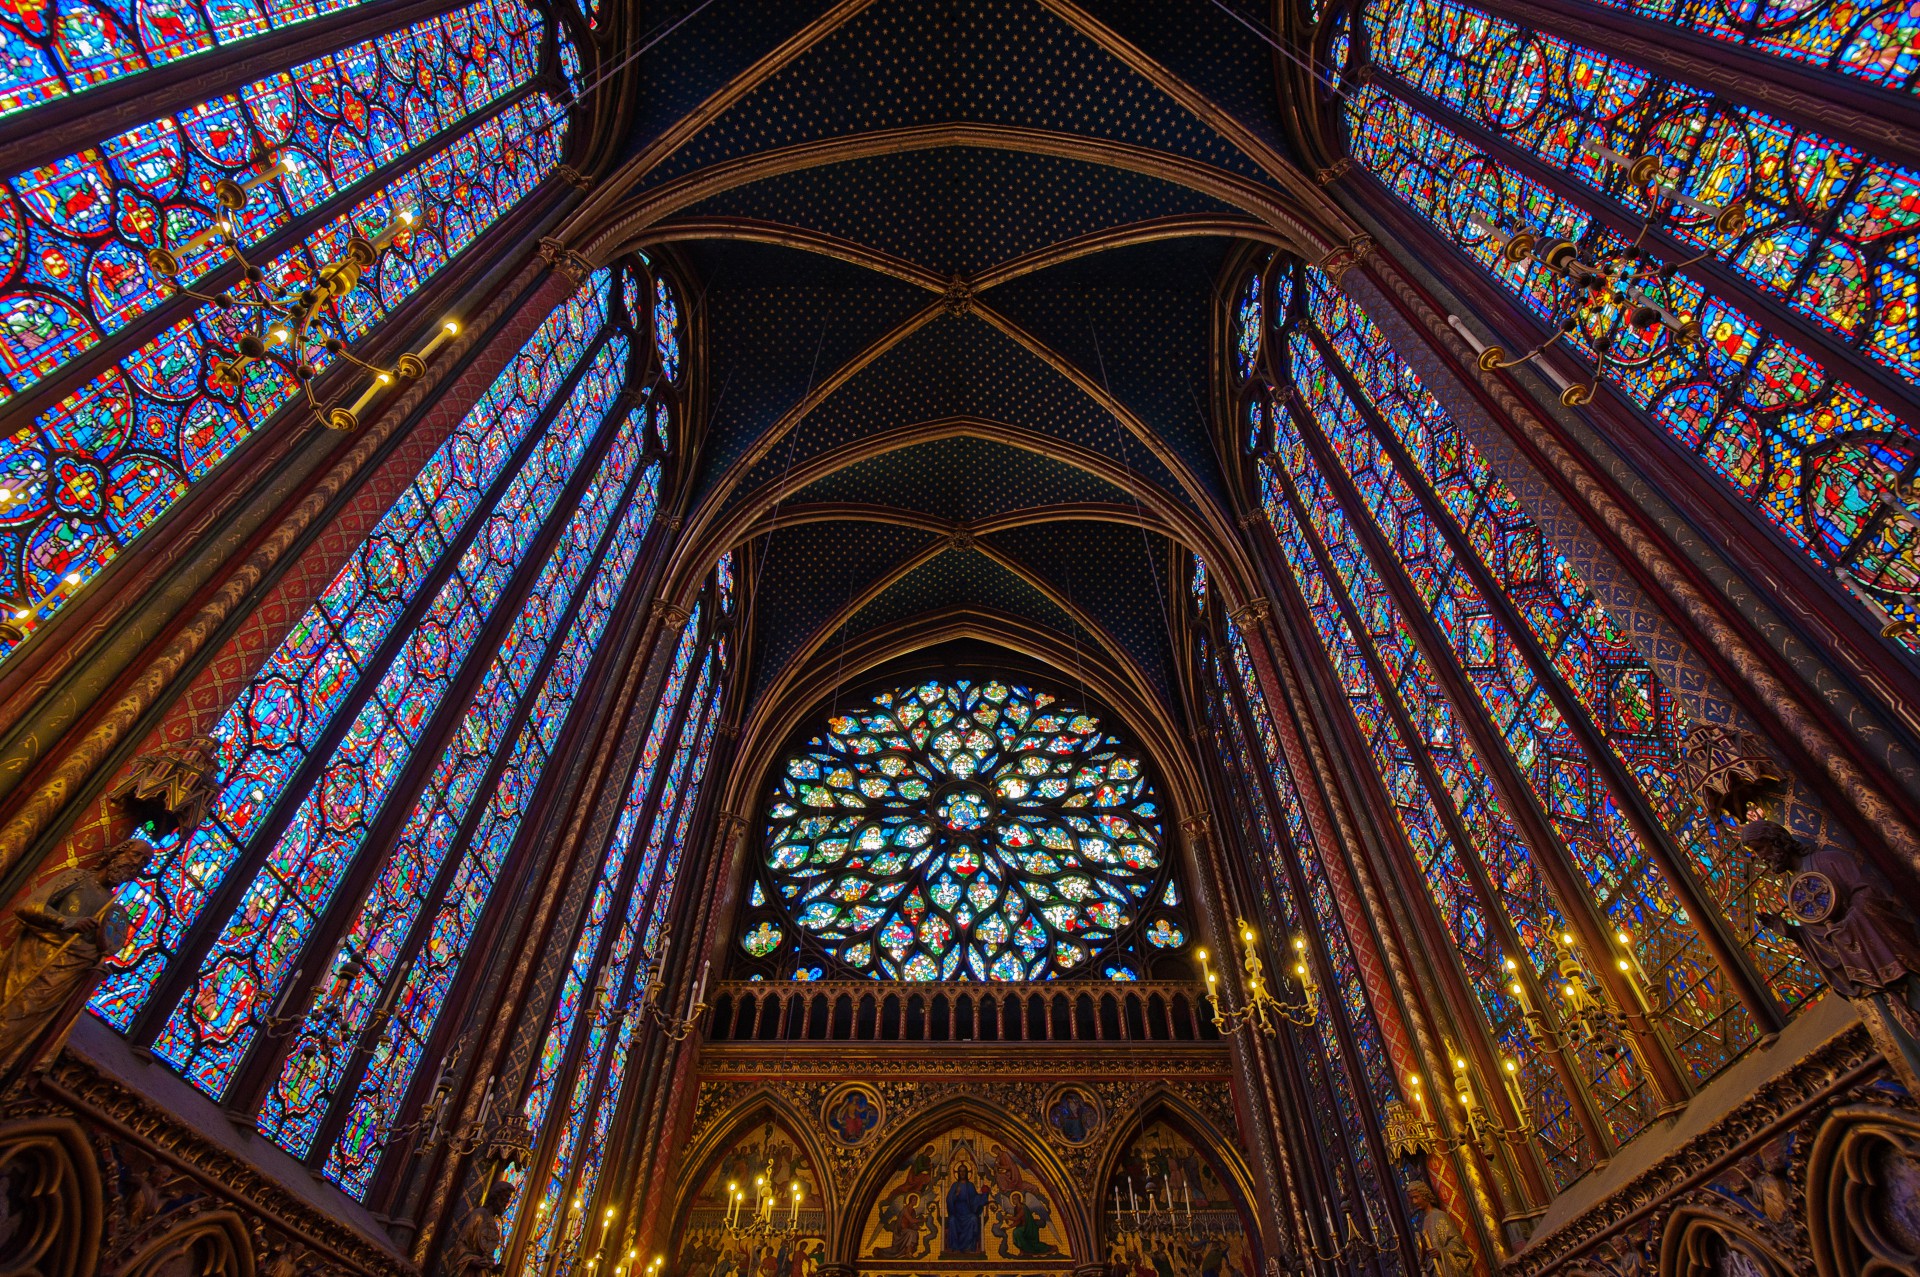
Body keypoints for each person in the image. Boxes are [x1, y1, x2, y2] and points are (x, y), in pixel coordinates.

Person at [0, 838, 152, 1088]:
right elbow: (29, 907)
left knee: (24, 1030)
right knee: (10, 1012)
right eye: (136, 855)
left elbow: (104, 945)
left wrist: (98, 962)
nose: (136, 864)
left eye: (143, 863)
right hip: (37, 958)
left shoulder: (110, 906)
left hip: (65, 977)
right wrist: (66, 922)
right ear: (118, 852)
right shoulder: (77, 879)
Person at [1406, 1182, 1472, 1277]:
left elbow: (1457, 1242)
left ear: (1425, 1195)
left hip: (1444, 1268)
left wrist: (1441, 1252)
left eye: (1416, 1197)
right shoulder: (1425, 1221)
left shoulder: (1439, 1216)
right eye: (1412, 1199)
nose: (1414, 1202)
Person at [944, 1166, 989, 1255]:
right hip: (957, 1213)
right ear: (958, 1173)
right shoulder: (955, 1185)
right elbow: (949, 1199)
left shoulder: (970, 1185)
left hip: (967, 1212)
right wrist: (955, 1195)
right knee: (952, 1220)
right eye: (960, 1171)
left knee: (973, 1219)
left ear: (967, 1173)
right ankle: (955, 1247)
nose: (962, 1173)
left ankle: (969, 1247)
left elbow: (975, 1199)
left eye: (964, 1171)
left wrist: (984, 1194)